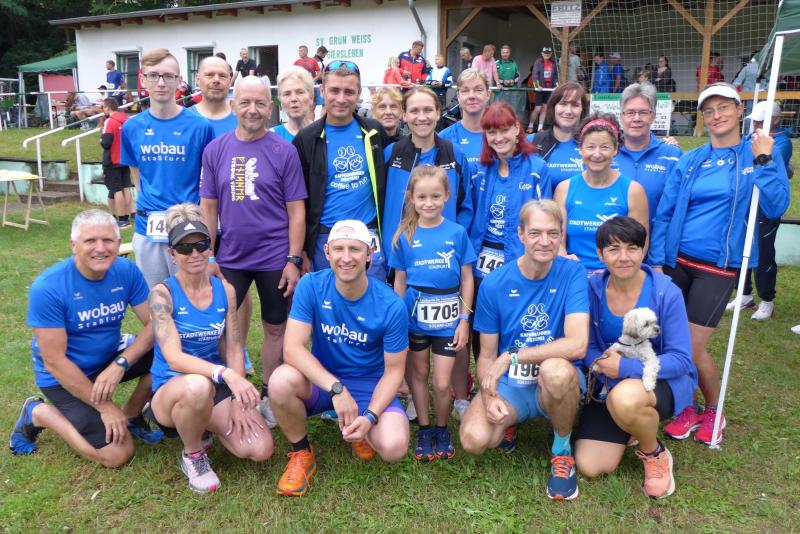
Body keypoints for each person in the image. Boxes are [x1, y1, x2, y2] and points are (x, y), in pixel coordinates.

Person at [651, 83, 790, 445]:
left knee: (691, 348)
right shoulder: (692, 159)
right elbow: (665, 212)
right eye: (709, 110)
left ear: (740, 110)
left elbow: (776, 205)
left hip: (718, 266)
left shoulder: (756, 152)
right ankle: (688, 406)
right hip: (677, 261)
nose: (717, 116)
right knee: (667, 341)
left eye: (724, 107)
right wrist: (658, 262)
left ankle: (715, 410)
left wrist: (764, 160)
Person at [459, 199, 589, 501]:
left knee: (555, 371)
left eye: (553, 233)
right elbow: (487, 355)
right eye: (535, 233)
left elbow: (578, 343)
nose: (545, 241)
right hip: (513, 384)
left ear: (561, 235)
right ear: (520, 234)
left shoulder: (573, 272)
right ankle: (511, 420)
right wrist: (489, 397)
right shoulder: (494, 284)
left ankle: (562, 449)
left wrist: (513, 356)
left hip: (556, 378)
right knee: (473, 439)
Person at [269, 220, 410, 496]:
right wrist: (336, 389)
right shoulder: (311, 285)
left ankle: (359, 424)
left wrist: (370, 416)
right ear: (327, 252)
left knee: (394, 446)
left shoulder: (391, 305)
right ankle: (302, 452)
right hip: (324, 381)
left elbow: (394, 372)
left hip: (370, 385)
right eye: (339, 249)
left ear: (370, 253)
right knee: (280, 381)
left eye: (355, 249)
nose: (346, 258)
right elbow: (292, 348)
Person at [9, 210, 162, 464]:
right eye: (90, 241)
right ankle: (38, 413)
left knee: (168, 351)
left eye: (108, 240)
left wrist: (120, 363)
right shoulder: (48, 287)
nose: (100, 248)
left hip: (107, 359)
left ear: (118, 243)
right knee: (117, 455)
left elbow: (155, 324)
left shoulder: (126, 271)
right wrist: (105, 406)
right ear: (74, 245)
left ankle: (131, 415)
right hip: (62, 377)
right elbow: (55, 361)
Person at [200, 76, 307, 430]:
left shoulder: (283, 151)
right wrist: (209, 256)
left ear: (270, 108)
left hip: (274, 257)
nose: (252, 110)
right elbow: (208, 207)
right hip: (230, 257)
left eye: (260, 103)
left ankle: (269, 394)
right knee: (224, 328)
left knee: (276, 327)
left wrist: (293, 259)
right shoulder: (215, 150)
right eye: (245, 102)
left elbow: (297, 211)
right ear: (233, 106)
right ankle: (231, 392)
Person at [147, 205, 273, 493]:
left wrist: (238, 399)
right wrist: (226, 374)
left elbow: (234, 346)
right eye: (184, 247)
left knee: (260, 448)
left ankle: (202, 425)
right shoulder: (162, 294)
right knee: (197, 387)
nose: (194, 254)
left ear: (209, 247)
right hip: (174, 387)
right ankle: (193, 454)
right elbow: (174, 358)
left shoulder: (225, 290)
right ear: (172, 253)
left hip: (213, 385)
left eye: (201, 245)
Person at [575, 216, 696, 499]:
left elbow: (681, 359)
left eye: (632, 248)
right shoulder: (592, 289)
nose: (623, 257)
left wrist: (625, 367)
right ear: (600, 254)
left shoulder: (667, 292)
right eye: (613, 249)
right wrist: (601, 364)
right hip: (608, 382)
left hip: (658, 381)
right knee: (592, 466)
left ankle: (654, 452)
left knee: (625, 400)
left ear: (643, 251)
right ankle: (630, 423)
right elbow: (587, 345)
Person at [389, 166, 475, 461]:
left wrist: (464, 319)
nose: (429, 203)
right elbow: (400, 282)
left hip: (448, 321)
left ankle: (442, 427)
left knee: (441, 382)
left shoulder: (457, 233)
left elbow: (467, 279)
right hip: (415, 318)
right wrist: (398, 321)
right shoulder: (405, 235)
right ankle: (425, 429)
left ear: (447, 196)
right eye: (422, 197)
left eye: (435, 196)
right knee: (419, 373)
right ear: (411, 198)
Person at [120, 48, 214, 289]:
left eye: (168, 76)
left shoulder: (201, 127)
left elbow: (209, 180)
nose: (161, 83)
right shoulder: (132, 127)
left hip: (189, 228)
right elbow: (136, 174)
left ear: (179, 81)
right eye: (154, 75)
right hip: (147, 227)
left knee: (193, 296)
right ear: (143, 80)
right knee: (155, 298)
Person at [292, 60, 389, 278]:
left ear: (358, 93)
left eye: (349, 92)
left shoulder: (374, 132)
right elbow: (298, 200)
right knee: (329, 298)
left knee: (371, 296)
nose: (341, 99)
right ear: (322, 91)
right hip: (324, 238)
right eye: (334, 90)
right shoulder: (306, 139)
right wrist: (302, 250)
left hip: (368, 235)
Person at [382, 86, 474, 256]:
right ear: (404, 115)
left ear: (438, 113)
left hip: (442, 257)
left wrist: (453, 242)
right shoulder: (391, 153)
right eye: (414, 111)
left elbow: (466, 206)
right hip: (397, 256)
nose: (422, 117)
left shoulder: (455, 154)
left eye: (428, 110)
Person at [555, 113, 649, 272]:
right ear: (580, 149)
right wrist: (565, 261)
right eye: (590, 147)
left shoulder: (633, 191)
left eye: (605, 147)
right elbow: (557, 240)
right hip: (573, 274)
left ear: (615, 149)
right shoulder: (564, 189)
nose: (597, 154)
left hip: (617, 274)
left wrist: (613, 273)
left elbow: (640, 244)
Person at [727, 100, 794, 321]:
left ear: (775, 119)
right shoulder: (750, 139)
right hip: (746, 202)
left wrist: (757, 155)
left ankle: (767, 301)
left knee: (764, 252)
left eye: (761, 120)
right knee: (740, 247)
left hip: (767, 204)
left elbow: (765, 162)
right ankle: (744, 295)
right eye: (755, 120)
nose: (756, 124)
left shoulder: (781, 142)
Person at [613, 83, 682, 236]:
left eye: (643, 112)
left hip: (656, 246)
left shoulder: (672, 156)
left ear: (653, 115)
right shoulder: (607, 154)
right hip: (611, 245)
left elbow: (679, 208)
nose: (636, 118)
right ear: (621, 116)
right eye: (630, 112)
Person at [531, 81, 589, 187]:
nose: (568, 111)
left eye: (575, 105)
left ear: (583, 110)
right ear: (553, 107)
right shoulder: (531, 141)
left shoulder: (590, 145)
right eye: (563, 104)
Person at [440, 69, 491, 164]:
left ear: (488, 94)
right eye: (465, 91)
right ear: (458, 96)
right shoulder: (444, 138)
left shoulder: (502, 136)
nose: (471, 96)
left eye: (478, 90)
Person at [100, 97, 133, 228]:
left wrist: (101, 140)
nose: (103, 110)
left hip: (113, 159)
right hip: (125, 158)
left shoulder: (110, 121)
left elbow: (106, 142)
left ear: (107, 108)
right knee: (126, 188)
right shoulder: (126, 119)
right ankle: (132, 213)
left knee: (116, 190)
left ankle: (123, 219)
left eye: (103, 107)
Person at [190, 56, 237, 137]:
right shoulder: (183, 119)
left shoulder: (243, 117)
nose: (216, 80)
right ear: (198, 79)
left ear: (230, 81)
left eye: (222, 76)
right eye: (209, 75)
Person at [272, 66, 315, 142]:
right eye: (287, 94)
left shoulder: (324, 132)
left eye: (300, 92)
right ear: (280, 100)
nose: (293, 99)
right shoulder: (272, 137)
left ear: (311, 97)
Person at [527, 46, 559, 133]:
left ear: (551, 54)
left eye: (548, 53)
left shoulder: (553, 63)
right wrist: (537, 85)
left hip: (549, 89)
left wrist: (556, 84)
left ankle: (540, 127)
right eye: (545, 53)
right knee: (538, 108)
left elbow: (555, 76)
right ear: (542, 53)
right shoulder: (538, 62)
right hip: (540, 88)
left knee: (545, 108)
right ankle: (530, 125)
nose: (546, 54)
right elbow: (535, 74)